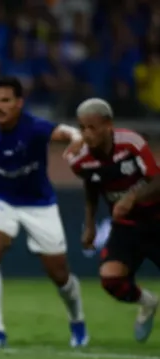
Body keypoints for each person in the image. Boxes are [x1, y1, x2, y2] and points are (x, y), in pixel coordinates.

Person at [0, 77, 88, 349]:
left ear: (19, 103)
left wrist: (77, 136)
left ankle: (77, 320)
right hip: (2, 201)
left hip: (40, 204)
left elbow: (62, 132)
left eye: (6, 101)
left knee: (59, 272)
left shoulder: (34, 127)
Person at [68, 98, 159, 342]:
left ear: (108, 125)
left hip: (156, 219)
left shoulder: (131, 143)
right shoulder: (80, 161)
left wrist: (132, 197)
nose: (87, 134)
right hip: (127, 226)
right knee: (111, 279)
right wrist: (89, 225)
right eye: (82, 128)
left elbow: (157, 180)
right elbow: (91, 187)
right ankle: (148, 302)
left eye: (92, 127)